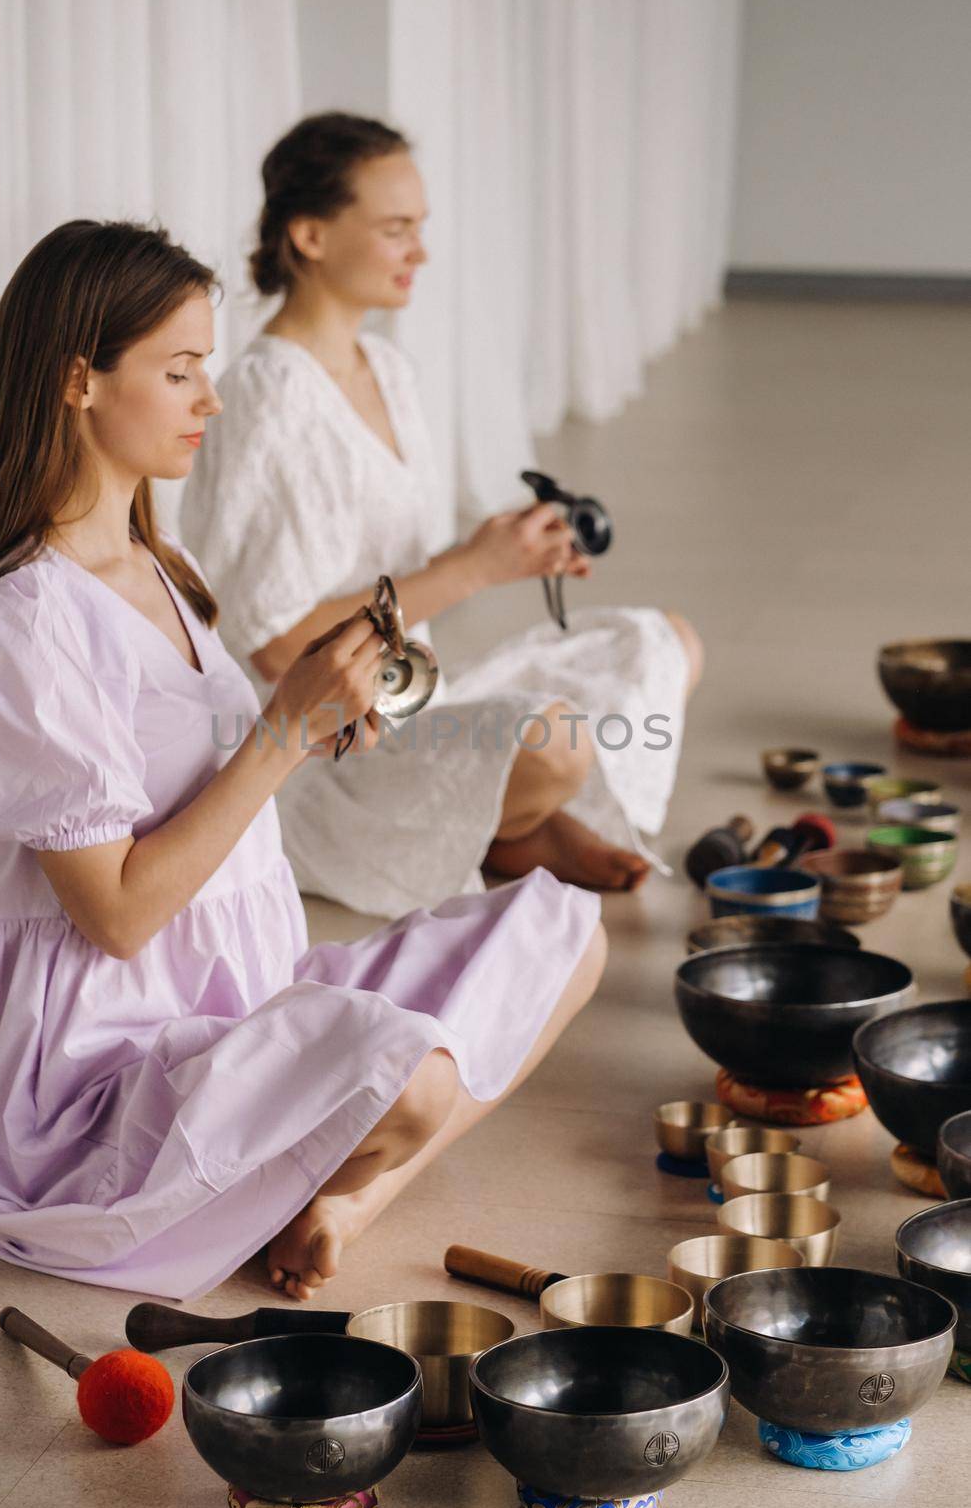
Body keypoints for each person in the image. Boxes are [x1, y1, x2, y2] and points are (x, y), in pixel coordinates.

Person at [0, 219, 605, 1302]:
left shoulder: (161, 560)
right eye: (179, 371)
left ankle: (346, 1195)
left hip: (244, 999)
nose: (209, 400)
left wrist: (318, 718)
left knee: (563, 933)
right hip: (99, 1075)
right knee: (416, 1081)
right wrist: (281, 732)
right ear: (77, 381)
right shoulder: (29, 622)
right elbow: (120, 917)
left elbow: (206, 770)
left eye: (208, 369)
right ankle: (306, 1172)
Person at [181, 113, 704, 920]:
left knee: (661, 641)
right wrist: (468, 572)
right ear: (311, 234)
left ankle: (500, 819)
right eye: (395, 229)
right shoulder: (265, 396)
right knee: (559, 742)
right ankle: (507, 829)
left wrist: (508, 551)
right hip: (325, 755)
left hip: (418, 700)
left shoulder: (385, 367)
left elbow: (396, 571)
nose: (418, 252)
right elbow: (281, 648)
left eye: (418, 228)